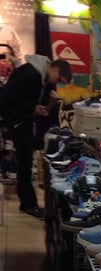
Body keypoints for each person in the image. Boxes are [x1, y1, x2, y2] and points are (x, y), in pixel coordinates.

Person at [0, 55, 72, 218]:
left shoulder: (42, 77)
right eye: (58, 79)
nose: (56, 82)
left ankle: (27, 203)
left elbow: (29, 98)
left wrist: (46, 103)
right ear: (55, 70)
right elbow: (8, 96)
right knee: (25, 162)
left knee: (26, 161)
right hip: (17, 120)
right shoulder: (29, 73)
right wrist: (32, 108)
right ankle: (28, 204)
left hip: (22, 120)